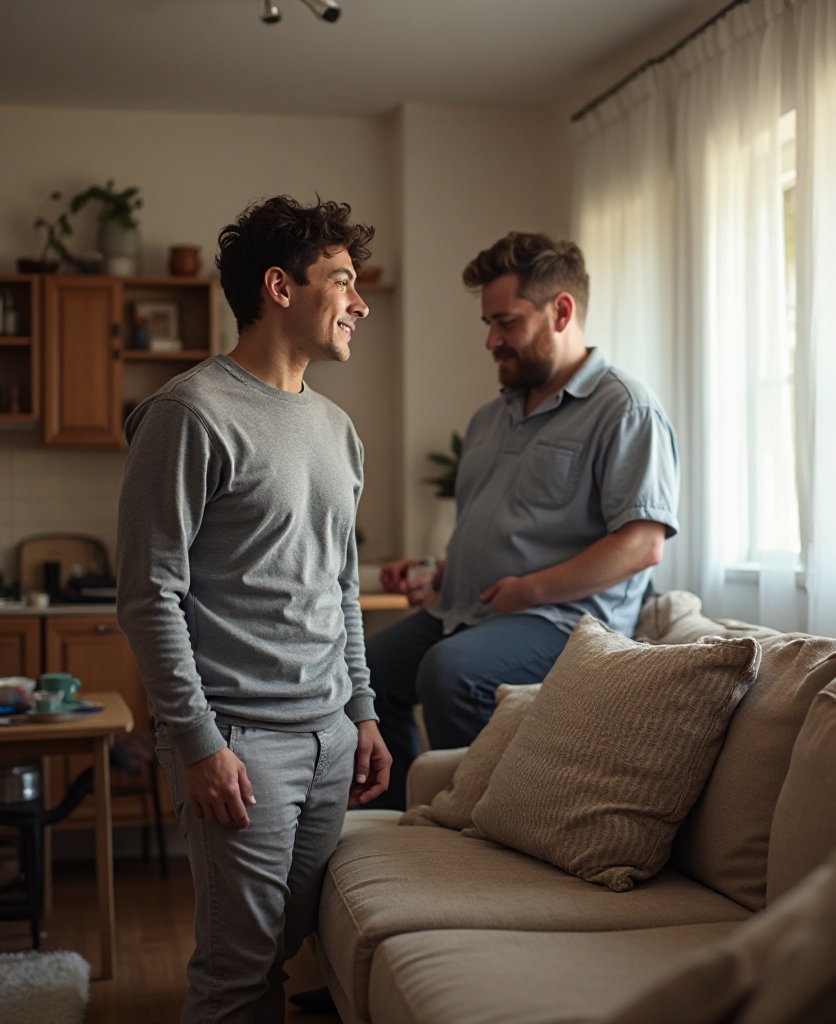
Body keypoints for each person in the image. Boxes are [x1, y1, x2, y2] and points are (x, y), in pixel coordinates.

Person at [116, 194, 392, 1023]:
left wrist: (365, 713)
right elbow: (148, 595)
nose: (360, 302)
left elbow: (339, 586)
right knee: (238, 979)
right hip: (240, 744)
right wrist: (197, 743)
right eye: (342, 280)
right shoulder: (187, 413)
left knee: (282, 951)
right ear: (280, 286)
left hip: (332, 737)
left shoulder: (339, 430)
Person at [367, 231, 680, 810]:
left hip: (563, 621)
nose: (491, 340)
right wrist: (436, 577)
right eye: (488, 323)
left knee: (450, 672)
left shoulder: (625, 409)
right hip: (470, 609)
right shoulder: (492, 418)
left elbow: (641, 544)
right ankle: (403, 821)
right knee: (363, 670)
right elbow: (498, 529)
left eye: (506, 322)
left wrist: (529, 590)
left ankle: (480, 829)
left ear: (561, 311)